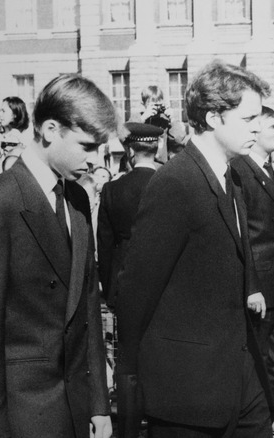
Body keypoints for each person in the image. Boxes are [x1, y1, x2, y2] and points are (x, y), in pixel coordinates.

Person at [115, 60, 273, 436]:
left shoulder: (231, 175)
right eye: (249, 119)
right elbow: (138, 288)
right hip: (187, 392)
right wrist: (133, 376)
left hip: (239, 379)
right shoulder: (176, 182)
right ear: (215, 117)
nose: (259, 128)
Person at [0, 74, 116, 438]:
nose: (96, 160)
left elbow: (88, 307)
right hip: (20, 414)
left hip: (75, 409)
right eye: (87, 146)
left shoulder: (76, 199)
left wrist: (98, 404)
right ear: (49, 129)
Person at [96, 122, 161, 438]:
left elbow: (105, 246)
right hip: (164, 285)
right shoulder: (169, 185)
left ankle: (130, 428)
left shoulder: (112, 190)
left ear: (131, 151)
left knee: (127, 361)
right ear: (156, 148)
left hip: (124, 285)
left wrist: (111, 292)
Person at [230, 105, 274, 422]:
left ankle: (266, 415)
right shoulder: (241, 171)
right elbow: (244, 236)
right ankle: (259, 420)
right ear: (254, 131)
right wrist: (251, 286)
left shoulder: (269, 171)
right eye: (273, 126)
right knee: (262, 361)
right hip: (259, 291)